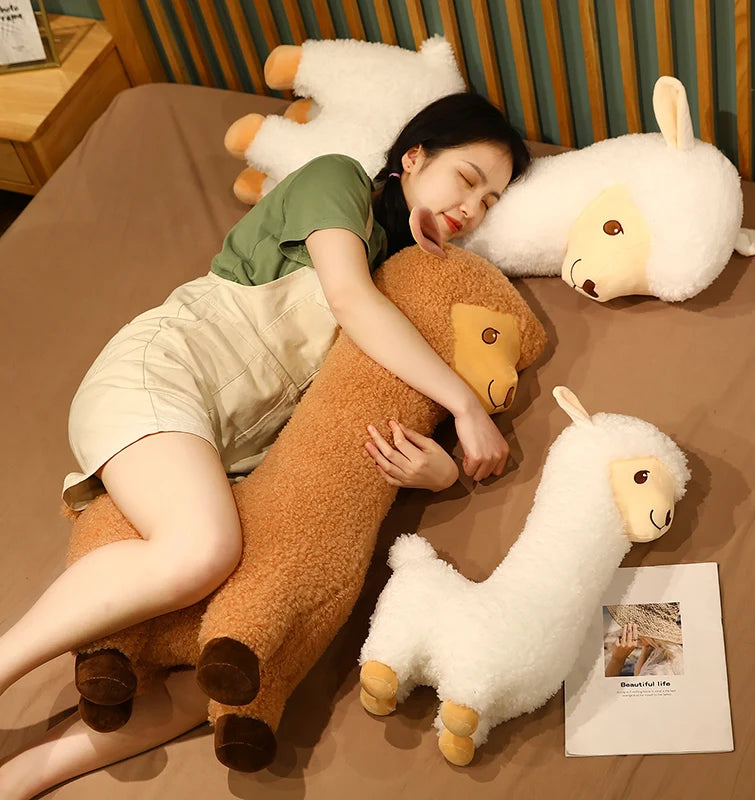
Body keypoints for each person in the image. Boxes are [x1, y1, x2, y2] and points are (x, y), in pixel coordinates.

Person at [0, 92, 530, 798]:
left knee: (241, 666)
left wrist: (438, 475)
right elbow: (349, 300)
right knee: (203, 549)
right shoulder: (338, 182)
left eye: (490, 201)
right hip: (165, 374)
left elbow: (364, 413)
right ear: (413, 157)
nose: (471, 209)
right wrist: (464, 404)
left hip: (227, 458)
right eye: (466, 179)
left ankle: (28, 774)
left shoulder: (407, 284)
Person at [604, 604, 684, 677]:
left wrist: (617, 659)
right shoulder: (662, 650)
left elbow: (606, 688)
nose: (624, 629)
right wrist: (647, 647)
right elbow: (638, 674)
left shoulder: (655, 673)